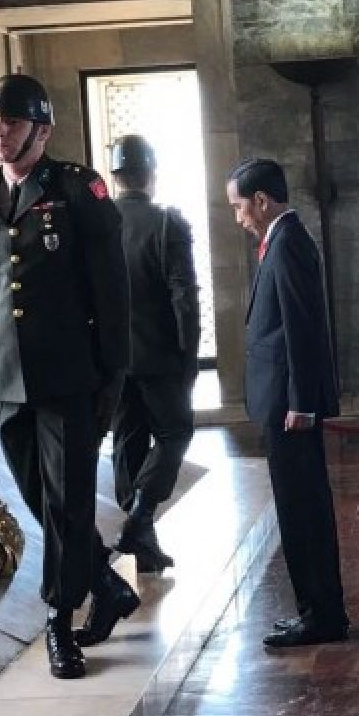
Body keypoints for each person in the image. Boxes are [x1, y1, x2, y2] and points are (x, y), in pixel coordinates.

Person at [0, 73, 140, 680]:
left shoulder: (76, 190)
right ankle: (106, 585)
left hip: (69, 376)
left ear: (42, 129)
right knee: (43, 499)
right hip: (7, 381)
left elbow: (112, 293)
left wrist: (112, 376)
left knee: (66, 498)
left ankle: (59, 622)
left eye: (9, 121)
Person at [225, 158, 348, 647]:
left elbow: (302, 330)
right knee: (297, 508)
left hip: (289, 407)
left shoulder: (289, 243)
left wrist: (301, 402)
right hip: (280, 401)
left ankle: (320, 616)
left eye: (239, 206)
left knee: (303, 511)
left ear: (262, 200)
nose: (237, 218)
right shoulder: (279, 240)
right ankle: (318, 612)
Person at [108, 134, 200, 573]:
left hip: (113, 360)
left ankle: (142, 541)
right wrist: (189, 357)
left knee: (127, 442)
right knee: (175, 433)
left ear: (116, 176)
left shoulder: (100, 224)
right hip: (161, 357)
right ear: (151, 176)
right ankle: (140, 516)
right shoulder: (167, 224)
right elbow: (184, 298)